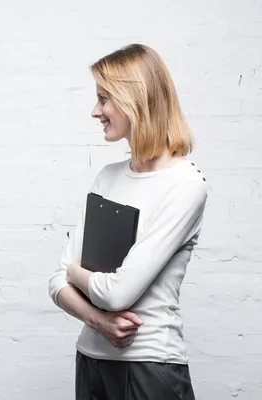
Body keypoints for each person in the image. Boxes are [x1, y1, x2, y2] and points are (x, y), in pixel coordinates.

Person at [49, 44, 207, 400]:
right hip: (90, 360)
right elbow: (55, 281)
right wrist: (97, 320)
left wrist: (76, 274)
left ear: (134, 98)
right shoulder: (107, 176)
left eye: (104, 98)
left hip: (149, 366)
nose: (96, 111)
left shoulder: (185, 185)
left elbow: (118, 292)